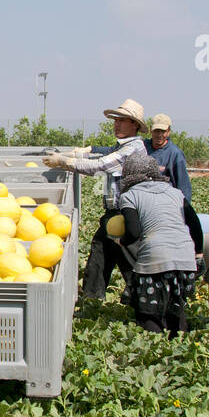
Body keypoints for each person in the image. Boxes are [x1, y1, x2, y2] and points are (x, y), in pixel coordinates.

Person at [43, 98, 149, 300]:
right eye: (116, 120)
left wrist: (64, 161)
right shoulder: (121, 147)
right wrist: (75, 154)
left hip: (127, 214)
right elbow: (97, 158)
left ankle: (143, 296)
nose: (116, 124)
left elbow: (100, 166)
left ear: (135, 125)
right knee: (100, 251)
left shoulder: (132, 149)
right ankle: (92, 297)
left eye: (122, 120)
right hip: (114, 214)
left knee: (129, 257)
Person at [116, 155, 205, 336]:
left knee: (149, 311)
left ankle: (155, 347)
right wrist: (199, 253)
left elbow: (133, 231)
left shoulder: (129, 196)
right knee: (176, 304)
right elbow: (194, 224)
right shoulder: (175, 192)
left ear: (128, 174)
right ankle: (178, 348)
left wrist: (120, 241)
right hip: (184, 256)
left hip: (155, 256)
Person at [146, 113, 192, 200]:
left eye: (163, 131)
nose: (159, 135)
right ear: (150, 130)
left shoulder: (175, 154)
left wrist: (185, 210)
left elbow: (184, 187)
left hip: (165, 201)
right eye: (156, 130)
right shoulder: (142, 147)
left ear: (169, 131)